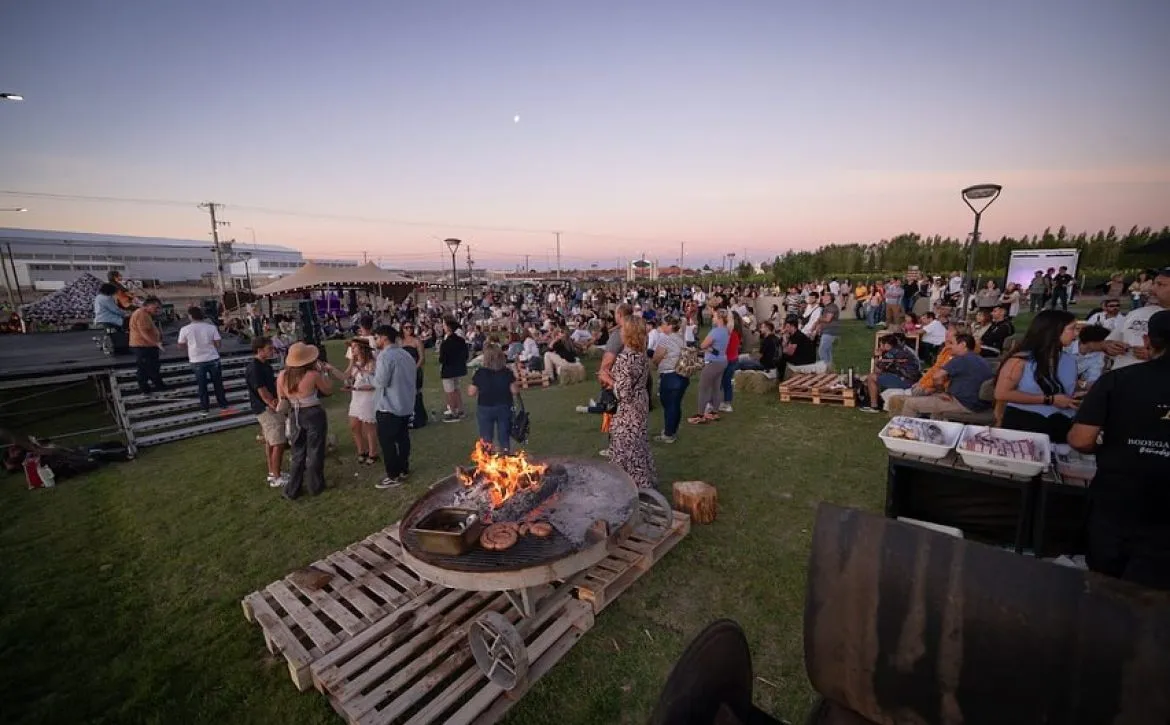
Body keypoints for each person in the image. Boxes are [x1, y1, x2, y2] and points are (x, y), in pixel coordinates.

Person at [1067, 309, 1170, 590]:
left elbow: (1080, 439)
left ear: (1148, 341)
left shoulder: (1118, 380)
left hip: (1120, 493)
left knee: (1106, 582)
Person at [994, 310, 1079, 443]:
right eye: (1072, 329)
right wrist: (1049, 400)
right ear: (1054, 330)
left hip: (1061, 422)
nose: (1076, 334)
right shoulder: (1020, 361)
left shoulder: (1070, 360)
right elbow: (1001, 393)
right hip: (1026, 422)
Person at [277, 342, 335, 499]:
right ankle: (315, 485)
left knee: (297, 452)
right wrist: (324, 373)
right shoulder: (312, 375)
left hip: (295, 413)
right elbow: (328, 390)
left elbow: (282, 398)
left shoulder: (282, 376)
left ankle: (293, 489)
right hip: (313, 412)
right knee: (315, 450)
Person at [610, 317, 658, 489]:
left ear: (628, 333)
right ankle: (646, 480)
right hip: (641, 401)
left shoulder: (625, 358)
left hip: (629, 408)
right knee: (639, 442)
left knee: (626, 446)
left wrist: (608, 381)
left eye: (622, 329)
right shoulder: (641, 353)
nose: (620, 331)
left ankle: (635, 486)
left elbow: (622, 392)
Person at [901, 332, 993, 419]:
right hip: (979, 404)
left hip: (964, 404)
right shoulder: (981, 360)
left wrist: (941, 392)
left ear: (963, 345)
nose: (949, 347)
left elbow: (937, 376)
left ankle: (902, 432)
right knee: (934, 400)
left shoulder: (961, 359)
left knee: (910, 403)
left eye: (952, 343)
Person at [372, 325, 417, 489]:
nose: (376, 341)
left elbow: (381, 382)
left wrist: (370, 376)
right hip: (405, 404)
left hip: (389, 407)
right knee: (403, 439)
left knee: (387, 442)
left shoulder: (385, 356)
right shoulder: (406, 354)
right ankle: (403, 468)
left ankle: (393, 475)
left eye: (377, 337)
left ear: (384, 338)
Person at [1106, 267, 1170, 369]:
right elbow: (1109, 341)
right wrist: (1110, 346)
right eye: (1154, 283)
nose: (1151, 289)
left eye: (1160, 285)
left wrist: (1157, 356)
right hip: (1121, 378)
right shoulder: (1136, 313)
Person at [245, 336, 287, 488]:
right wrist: (273, 404)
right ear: (259, 350)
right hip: (265, 409)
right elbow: (262, 391)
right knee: (278, 442)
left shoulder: (265, 366)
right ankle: (277, 477)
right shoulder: (254, 368)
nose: (272, 351)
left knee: (270, 441)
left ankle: (273, 472)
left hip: (269, 406)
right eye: (269, 349)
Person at [177, 306, 231, 415]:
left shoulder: (185, 329)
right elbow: (218, 344)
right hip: (212, 357)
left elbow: (181, 345)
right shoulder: (211, 327)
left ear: (191, 316)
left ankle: (204, 408)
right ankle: (223, 404)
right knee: (218, 384)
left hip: (196, 359)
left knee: (202, 385)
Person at [467, 344, 517, 453]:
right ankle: (506, 455)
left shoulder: (480, 373)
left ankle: (487, 459)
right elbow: (514, 391)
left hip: (485, 407)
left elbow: (471, 392)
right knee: (504, 435)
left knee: (486, 437)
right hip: (504, 406)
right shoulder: (507, 372)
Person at [862, 334, 922, 413]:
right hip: (913, 378)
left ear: (886, 344)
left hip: (906, 381)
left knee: (871, 377)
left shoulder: (891, 354)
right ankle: (878, 401)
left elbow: (877, 371)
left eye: (881, 344)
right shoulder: (902, 349)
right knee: (878, 377)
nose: (880, 346)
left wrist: (876, 356)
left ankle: (874, 406)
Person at [689, 308, 730, 424]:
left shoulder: (715, 331)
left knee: (703, 388)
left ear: (720, 318)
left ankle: (700, 415)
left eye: (715, 316)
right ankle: (714, 412)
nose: (713, 318)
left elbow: (702, 345)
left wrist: (709, 348)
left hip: (713, 363)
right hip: (722, 361)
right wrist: (712, 349)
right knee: (717, 387)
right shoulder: (726, 331)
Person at [651, 315, 687, 443]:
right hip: (682, 374)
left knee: (669, 405)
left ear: (670, 326)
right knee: (676, 404)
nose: (661, 326)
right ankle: (672, 430)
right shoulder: (681, 337)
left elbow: (656, 357)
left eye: (664, 323)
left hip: (669, 375)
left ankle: (668, 433)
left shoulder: (665, 339)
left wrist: (655, 364)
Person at [344, 338, 379, 465]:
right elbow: (346, 375)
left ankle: (373, 452)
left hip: (368, 396)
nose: (352, 350)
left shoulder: (372, 363)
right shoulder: (354, 363)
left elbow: (374, 383)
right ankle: (361, 450)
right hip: (356, 396)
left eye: (354, 347)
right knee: (354, 425)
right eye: (351, 347)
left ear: (362, 348)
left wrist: (357, 385)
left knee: (368, 426)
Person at [128, 296, 167, 397]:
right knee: (149, 367)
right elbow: (143, 333)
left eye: (159, 308)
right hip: (143, 346)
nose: (157, 310)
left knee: (147, 367)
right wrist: (156, 343)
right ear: (148, 306)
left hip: (146, 345)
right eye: (156, 307)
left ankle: (148, 389)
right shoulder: (141, 315)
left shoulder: (146, 314)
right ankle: (157, 387)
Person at [438, 318, 469, 422]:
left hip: (448, 369)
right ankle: (461, 410)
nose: (443, 327)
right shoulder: (461, 340)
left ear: (449, 328)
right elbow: (466, 355)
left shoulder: (446, 343)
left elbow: (442, 358)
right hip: (459, 368)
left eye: (444, 325)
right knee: (456, 389)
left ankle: (453, 412)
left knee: (450, 391)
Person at [401, 322, 428, 429]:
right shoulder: (401, 342)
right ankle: (408, 417)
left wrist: (414, 369)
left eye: (411, 327)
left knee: (416, 394)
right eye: (406, 327)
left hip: (415, 370)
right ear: (402, 329)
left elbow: (422, 358)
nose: (409, 329)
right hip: (403, 372)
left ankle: (419, 418)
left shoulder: (417, 341)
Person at [718, 311, 744, 413]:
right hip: (733, 359)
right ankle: (726, 403)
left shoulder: (729, 332)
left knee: (721, 382)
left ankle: (718, 402)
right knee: (726, 381)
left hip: (727, 360)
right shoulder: (738, 331)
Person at [816, 291, 841, 368]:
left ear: (829, 298)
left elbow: (828, 319)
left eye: (824, 296)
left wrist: (819, 319)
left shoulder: (832, 307)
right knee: (827, 351)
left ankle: (826, 367)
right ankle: (830, 368)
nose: (822, 297)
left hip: (830, 332)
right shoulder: (827, 307)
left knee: (822, 351)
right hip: (827, 332)